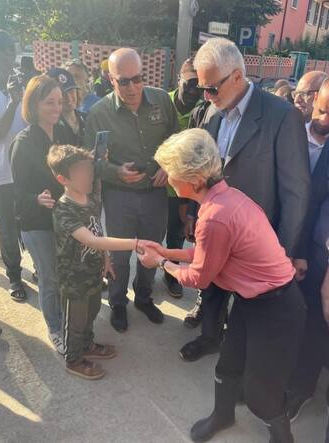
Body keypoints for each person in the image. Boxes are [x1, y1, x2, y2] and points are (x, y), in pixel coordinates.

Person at [138, 128, 306, 443]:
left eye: (171, 172)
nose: (167, 178)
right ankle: (222, 415)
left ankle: (283, 438)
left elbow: (199, 277)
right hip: (254, 300)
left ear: (192, 178)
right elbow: (208, 254)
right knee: (228, 362)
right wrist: (167, 251)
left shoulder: (215, 215)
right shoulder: (225, 197)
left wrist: (160, 263)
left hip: (276, 309)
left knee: (261, 393)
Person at [180, 37, 310, 362]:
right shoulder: (210, 112)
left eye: (213, 88)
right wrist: (195, 216)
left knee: (249, 308)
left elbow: (296, 192)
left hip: (256, 239)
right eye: (202, 89)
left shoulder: (282, 116)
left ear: (237, 76)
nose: (207, 96)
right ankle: (209, 337)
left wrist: (284, 252)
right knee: (210, 288)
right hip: (216, 227)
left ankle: (240, 365)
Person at [85, 48, 179, 333]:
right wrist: (115, 172)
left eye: (137, 79)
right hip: (119, 197)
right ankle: (117, 302)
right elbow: (91, 161)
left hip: (155, 193)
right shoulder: (99, 113)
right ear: (110, 79)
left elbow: (177, 140)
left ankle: (144, 297)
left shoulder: (162, 100)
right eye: (122, 81)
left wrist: (169, 166)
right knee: (119, 256)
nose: (132, 87)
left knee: (151, 251)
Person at [47, 144, 150, 379]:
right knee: (75, 322)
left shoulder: (90, 197)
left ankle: (87, 346)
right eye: (82, 173)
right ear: (63, 178)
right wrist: (133, 243)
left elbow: (98, 229)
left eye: (89, 171)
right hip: (74, 280)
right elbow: (93, 240)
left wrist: (106, 260)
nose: (89, 177)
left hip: (93, 274)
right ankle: (73, 360)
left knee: (91, 313)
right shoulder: (63, 210)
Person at [10, 75, 68, 353]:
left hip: (65, 218)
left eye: (59, 101)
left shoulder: (64, 132)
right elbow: (16, 197)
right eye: (49, 102)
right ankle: (55, 328)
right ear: (34, 103)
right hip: (37, 224)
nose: (57, 107)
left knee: (64, 275)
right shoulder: (23, 142)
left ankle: (66, 320)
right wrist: (36, 199)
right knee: (50, 277)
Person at [287, 79, 329, 421]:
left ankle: (301, 388)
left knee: (314, 322)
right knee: (286, 316)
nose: (326, 119)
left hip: (320, 256)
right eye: (323, 109)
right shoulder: (290, 135)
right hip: (287, 246)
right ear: (314, 100)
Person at [0, 29, 27, 302]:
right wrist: (13, 101)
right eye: (2, 51)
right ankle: (15, 276)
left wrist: (24, 96)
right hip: (0, 176)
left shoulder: (20, 86)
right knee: (7, 228)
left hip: (26, 171)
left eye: (11, 50)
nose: (8, 56)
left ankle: (39, 265)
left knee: (32, 221)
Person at [165, 57, 202, 298]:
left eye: (199, 86)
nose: (193, 91)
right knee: (148, 235)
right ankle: (144, 282)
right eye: (189, 83)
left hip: (182, 190)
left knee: (176, 236)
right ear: (179, 78)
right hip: (155, 184)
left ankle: (171, 277)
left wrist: (188, 202)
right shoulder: (160, 103)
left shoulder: (203, 109)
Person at [47, 68, 85, 146]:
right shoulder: (49, 126)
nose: (69, 98)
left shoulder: (87, 118)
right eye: (62, 94)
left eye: (71, 91)